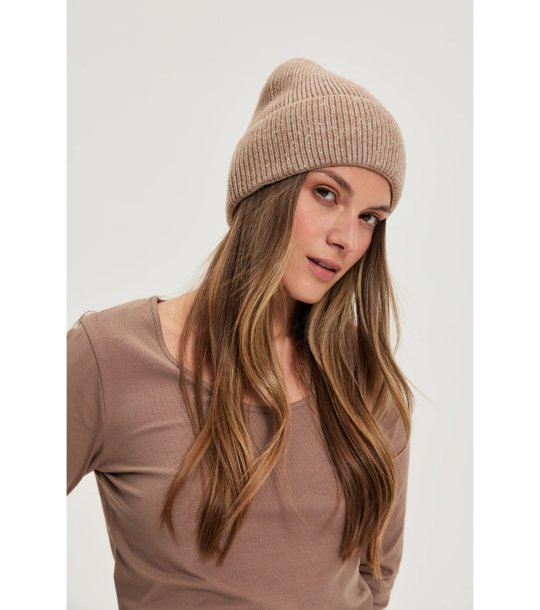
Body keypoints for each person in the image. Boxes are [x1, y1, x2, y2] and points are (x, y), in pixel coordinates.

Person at [68, 57, 415, 610]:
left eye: (370, 217)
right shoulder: (110, 357)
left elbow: (374, 580)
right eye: (327, 194)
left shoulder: (368, 384)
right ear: (265, 189)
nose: (348, 239)